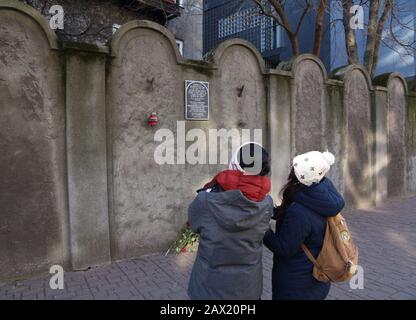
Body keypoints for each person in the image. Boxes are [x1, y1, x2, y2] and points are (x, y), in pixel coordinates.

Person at [187, 142, 273, 300]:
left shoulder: (206, 199)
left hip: (209, 287)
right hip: (248, 288)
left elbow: (194, 225)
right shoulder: (267, 203)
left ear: (235, 163)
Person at [264, 151, 345, 300]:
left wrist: (263, 230)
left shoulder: (299, 211)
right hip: (316, 279)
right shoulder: (321, 191)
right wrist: (269, 209)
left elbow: (284, 248)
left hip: (297, 285)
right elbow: (290, 216)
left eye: (294, 168)